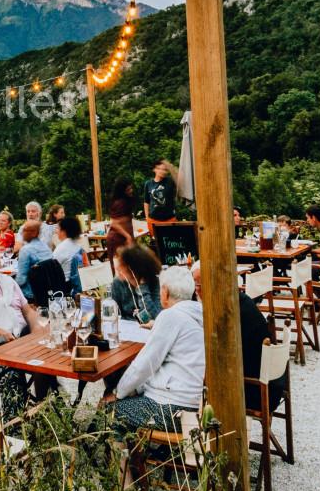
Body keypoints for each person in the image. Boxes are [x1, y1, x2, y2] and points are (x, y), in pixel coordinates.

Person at [104, 266, 204, 432]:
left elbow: (144, 364)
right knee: (133, 394)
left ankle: (123, 457)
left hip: (174, 409)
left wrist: (118, 392)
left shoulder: (170, 316)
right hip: (197, 404)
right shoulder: (199, 312)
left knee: (112, 410)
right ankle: (138, 453)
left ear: (164, 292)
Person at [191, 261, 286, 413]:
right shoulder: (240, 299)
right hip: (273, 382)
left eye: (198, 285)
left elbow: (219, 355)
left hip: (256, 392)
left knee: (194, 386)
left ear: (212, 283)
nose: (195, 291)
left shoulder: (228, 312)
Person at [14, 219, 54, 301]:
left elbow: (21, 280)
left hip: (31, 294)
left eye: (25, 230)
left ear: (34, 233)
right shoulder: (45, 247)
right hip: (47, 290)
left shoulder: (26, 250)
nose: (22, 233)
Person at [51, 215, 85, 294]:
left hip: (66, 289)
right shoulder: (78, 245)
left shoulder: (61, 248)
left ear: (64, 231)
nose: (56, 231)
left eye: (58, 228)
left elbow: (52, 270)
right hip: (81, 285)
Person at [106, 179, 138, 261]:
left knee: (128, 267)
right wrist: (128, 237)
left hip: (122, 238)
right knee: (123, 268)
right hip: (117, 239)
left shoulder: (125, 202)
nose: (131, 191)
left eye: (131, 188)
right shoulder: (120, 203)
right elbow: (114, 223)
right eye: (128, 189)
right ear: (122, 191)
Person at [143, 160, 177, 225]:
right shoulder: (148, 184)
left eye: (165, 170)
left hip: (169, 219)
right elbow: (146, 202)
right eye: (160, 169)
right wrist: (147, 218)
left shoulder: (170, 181)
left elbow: (179, 177)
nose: (163, 171)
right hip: (153, 220)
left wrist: (170, 166)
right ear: (154, 169)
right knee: (155, 236)